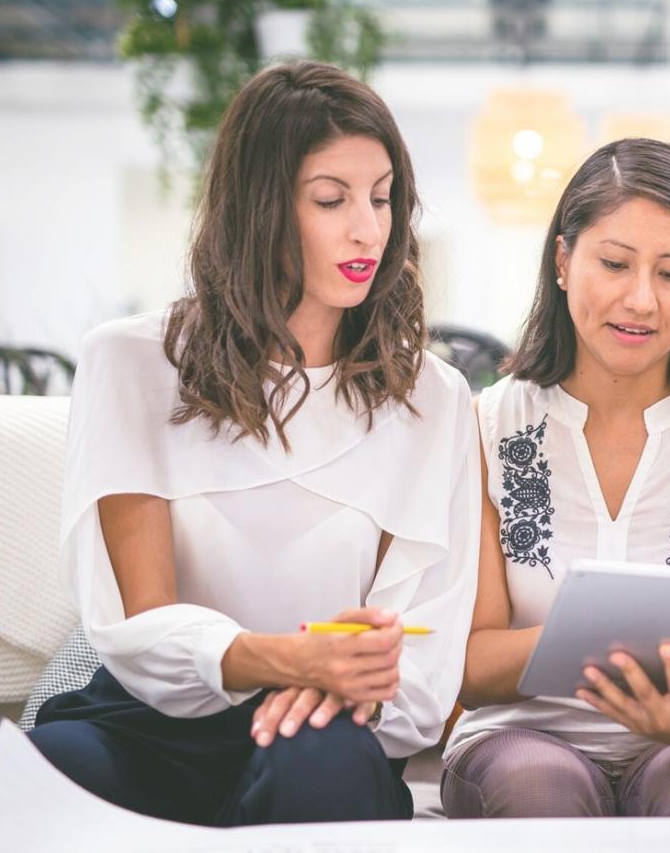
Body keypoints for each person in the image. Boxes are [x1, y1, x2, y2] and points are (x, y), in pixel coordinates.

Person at [28, 61, 480, 826]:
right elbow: (135, 628)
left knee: (319, 763)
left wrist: (334, 685)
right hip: (154, 723)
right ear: (259, 208)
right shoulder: (130, 363)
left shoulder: (432, 398)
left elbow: (425, 663)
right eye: (331, 200)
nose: (368, 230)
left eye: (381, 198)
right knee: (51, 769)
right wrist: (283, 659)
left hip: (331, 726)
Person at [441, 138, 670, 818]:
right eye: (614, 264)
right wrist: (601, 643)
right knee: (538, 786)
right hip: (521, 737)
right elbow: (473, 665)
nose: (641, 300)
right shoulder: (482, 424)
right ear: (562, 261)